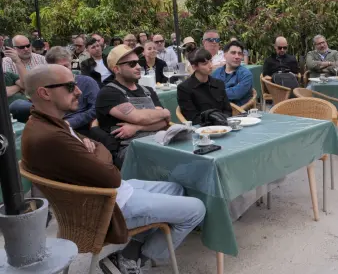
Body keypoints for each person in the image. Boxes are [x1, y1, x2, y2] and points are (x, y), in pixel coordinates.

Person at [21, 64, 206, 273]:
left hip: (105, 196)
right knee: (196, 209)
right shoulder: (50, 136)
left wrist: (95, 149)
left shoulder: (47, 124)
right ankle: (139, 259)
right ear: (44, 92)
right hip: (105, 207)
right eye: (70, 86)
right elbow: (112, 176)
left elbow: (96, 148)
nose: (79, 91)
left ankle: (129, 253)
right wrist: (99, 152)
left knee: (177, 189)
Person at [45, 47, 99, 135]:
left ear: (71, 63)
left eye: (66, 66)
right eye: (60, 67)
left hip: (82, 126)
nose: (65, 70)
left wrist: (71, 122)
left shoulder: (87, 82)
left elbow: (96, 108)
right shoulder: (47, 86)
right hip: (56, 126)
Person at [178, 49, 232, 124]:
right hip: (202, 129)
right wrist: (212, 119)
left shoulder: (219, 84)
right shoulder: (184, 88)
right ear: (194, 67)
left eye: (211, 61)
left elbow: (228, 110)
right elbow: (192, 118)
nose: (210, 65)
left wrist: (222, 120)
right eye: (205, 63)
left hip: (223, 125)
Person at [212, 41, 253, 106]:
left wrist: (215, 92)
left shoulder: (246, 74)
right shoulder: (216, 73)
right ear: (225, 55)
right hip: (215, 110)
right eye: (233, 53)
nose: (237, 56)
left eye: (239, 54)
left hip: (237, 112)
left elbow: (236, 94)